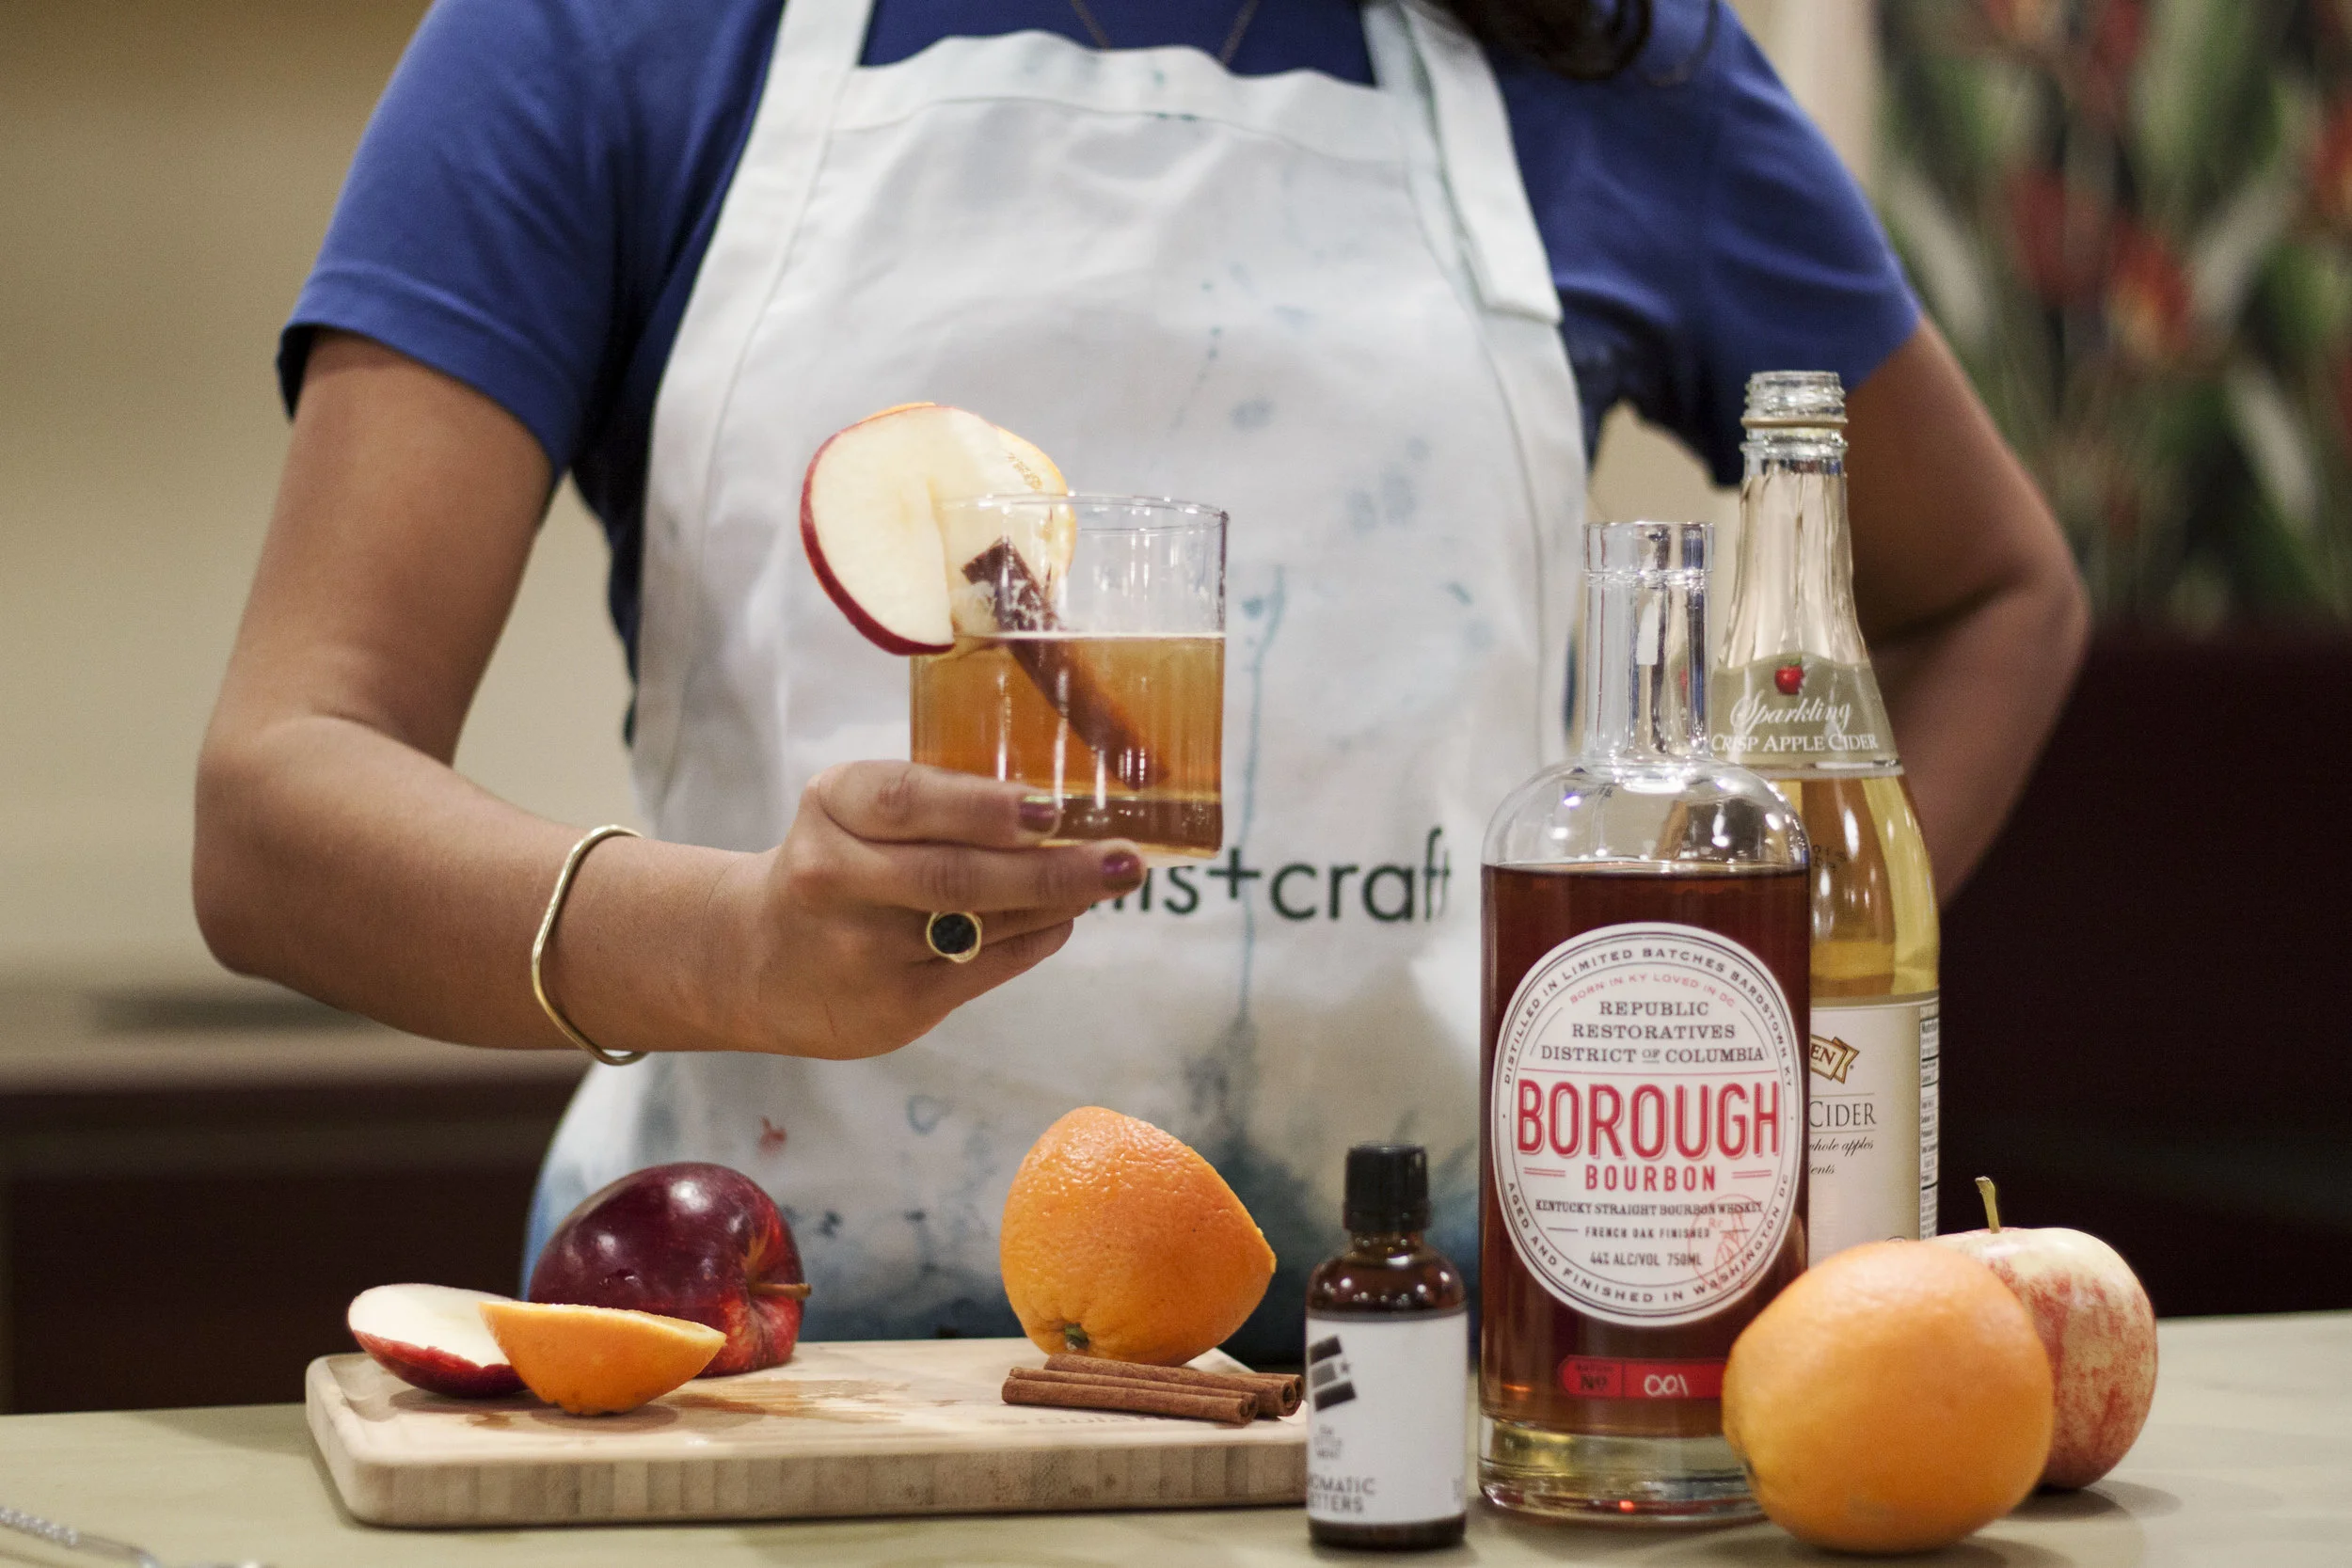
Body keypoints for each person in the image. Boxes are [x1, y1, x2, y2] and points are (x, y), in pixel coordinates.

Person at [194, 0, 2087, 1355]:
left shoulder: (1598, 53)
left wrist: (1736, 1015)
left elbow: (1989, 593)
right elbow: (280, 795)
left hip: (1419, 1401)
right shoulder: (603, 36)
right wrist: (724, 947)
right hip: (760, 1389)